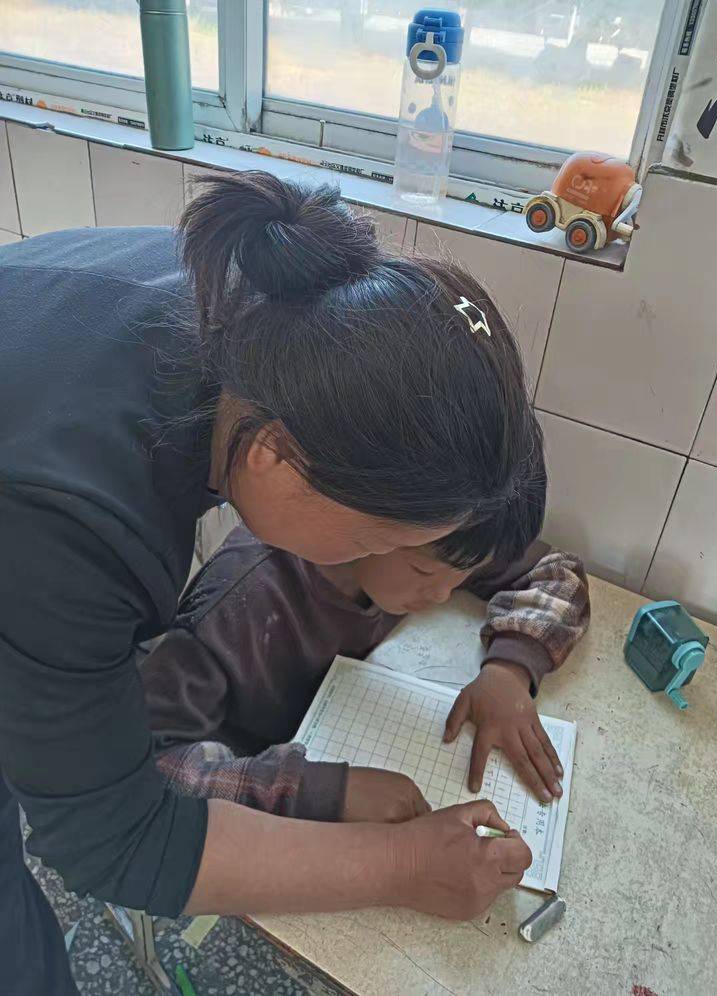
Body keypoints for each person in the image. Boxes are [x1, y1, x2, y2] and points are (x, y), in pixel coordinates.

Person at [1, 170, 538, 994]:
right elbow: (111, 840)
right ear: (276, 458)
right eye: (374, 539)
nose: (376, 565)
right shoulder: (71, 521)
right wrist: (399, 867)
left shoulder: (273, 307)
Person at [141, 485, 589, 825]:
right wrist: (323, 794)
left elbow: (557, 573)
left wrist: (509, 670)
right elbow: (145, 771)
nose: (441, 594)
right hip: (243, 809)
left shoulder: (438, 536)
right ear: (365, 521)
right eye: (424, 572)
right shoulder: (239, 603)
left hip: (338, 720)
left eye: (464, 575)